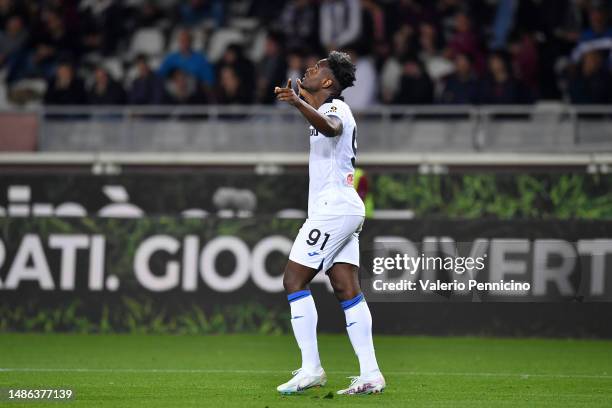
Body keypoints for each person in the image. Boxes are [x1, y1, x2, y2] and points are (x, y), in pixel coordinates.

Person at [274, 51, 385, 395]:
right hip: (345, 207)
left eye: (317, 67)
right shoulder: (323, 105)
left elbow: (331, 127)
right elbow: (318, 112)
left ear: (327, 82)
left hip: (333, 208)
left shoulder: (335, 109)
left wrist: (297, 101)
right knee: (345, 287)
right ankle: (371, 373)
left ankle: (311, 368)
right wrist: (303, 98)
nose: (309, 67)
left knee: (294, 279)